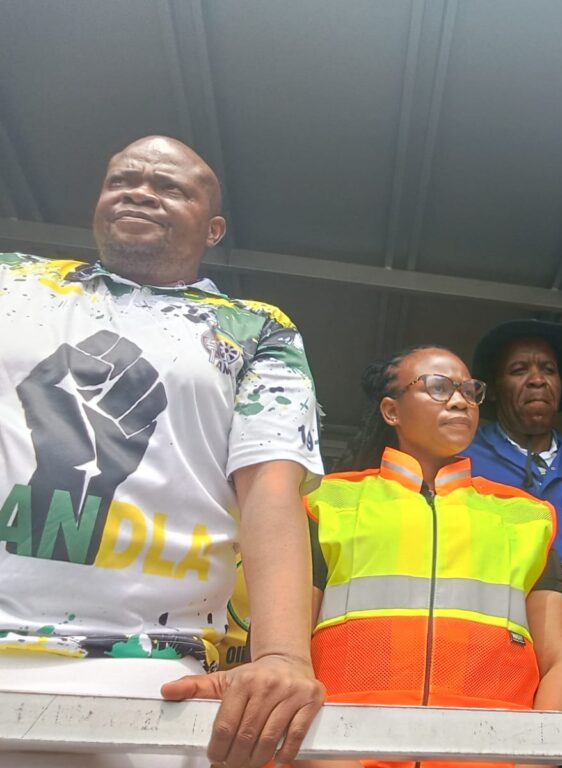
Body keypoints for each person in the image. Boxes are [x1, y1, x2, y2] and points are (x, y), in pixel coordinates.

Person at [0, 136, 324, 767]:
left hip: (152, 667)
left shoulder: (255, 328)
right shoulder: (11, 281)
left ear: (214, 227)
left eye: (170, 186)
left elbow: (269, 488)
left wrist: (282, 657)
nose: (140, 191)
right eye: (122, 179)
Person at [302, 345, 562, 768]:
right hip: (340, 758)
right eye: (437, 387)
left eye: (469, 391)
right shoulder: (329, 503)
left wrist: (531, 763)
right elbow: (283, 649)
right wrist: (320, 757)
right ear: (391, 411)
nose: (459, 400)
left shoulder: (524, 517)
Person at [464, 319, 562, 712]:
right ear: (495, 389)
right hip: (484, 681)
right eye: (519, 370)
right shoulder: (461, 463)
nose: (537, 380)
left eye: (548, 370)